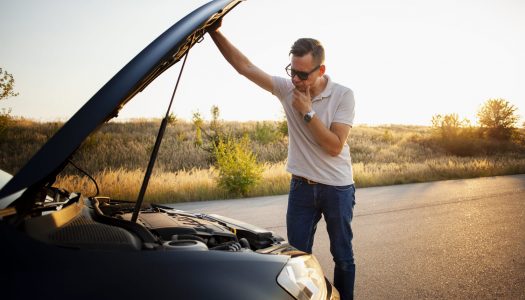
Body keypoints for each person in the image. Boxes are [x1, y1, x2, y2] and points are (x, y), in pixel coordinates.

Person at [208, 20, 356, 299]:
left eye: (302, 74)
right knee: (294, 260)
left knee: (343, 256)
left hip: (337, 188)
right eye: (292, 72)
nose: (296, 80)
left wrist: (307, 113)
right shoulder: (287, 89)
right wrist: (214, 32)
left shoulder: (343, 95)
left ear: (321, 70)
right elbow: (245, 67)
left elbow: (335, 146)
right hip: (301, 188)